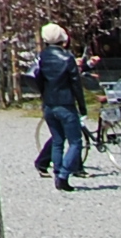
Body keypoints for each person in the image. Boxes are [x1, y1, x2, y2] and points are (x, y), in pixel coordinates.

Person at [28, 24, 89, 190]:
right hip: (66, 103)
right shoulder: (67, 58)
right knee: (76, 142)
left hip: (49, 104)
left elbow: (38, 80)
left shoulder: (41, 57)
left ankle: (56, 173)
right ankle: (63, 175)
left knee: (57, 141)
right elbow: (76, 84)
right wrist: (82, 106)